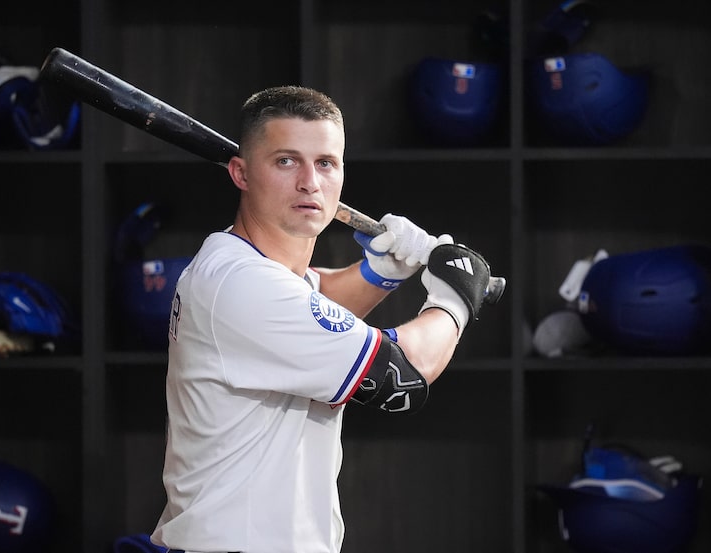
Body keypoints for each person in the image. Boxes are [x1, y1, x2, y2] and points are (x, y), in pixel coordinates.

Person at [149, 85, 496, 553]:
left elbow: (316, 300)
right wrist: (455, 298)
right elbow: (400, 374)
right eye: (286, 161)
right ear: (241, 172)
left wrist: (381, 272)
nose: (310, 182)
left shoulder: (257, 270)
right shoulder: (239, 283)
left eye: (326, 163)